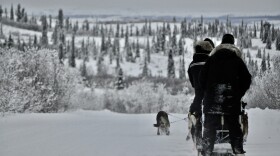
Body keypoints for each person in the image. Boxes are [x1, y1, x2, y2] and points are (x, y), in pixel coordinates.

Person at [199, 34, 251, 156]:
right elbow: (247, 79)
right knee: (234, 127)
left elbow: (202, 79)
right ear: (233, 46)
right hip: (231, 100)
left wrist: (208, 92)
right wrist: (238, 93)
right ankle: (238, 151)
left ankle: (206, 152)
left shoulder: (211, 60)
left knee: (209, 128)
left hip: (212, 99)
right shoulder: (237, 60)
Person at [187, 38, 214, 149]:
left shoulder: (192, 65)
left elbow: (193, 84)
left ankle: (197, 140)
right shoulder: (212, 63)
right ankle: (209, 141)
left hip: (198, 98)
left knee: (196, 115)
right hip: (210, 98)